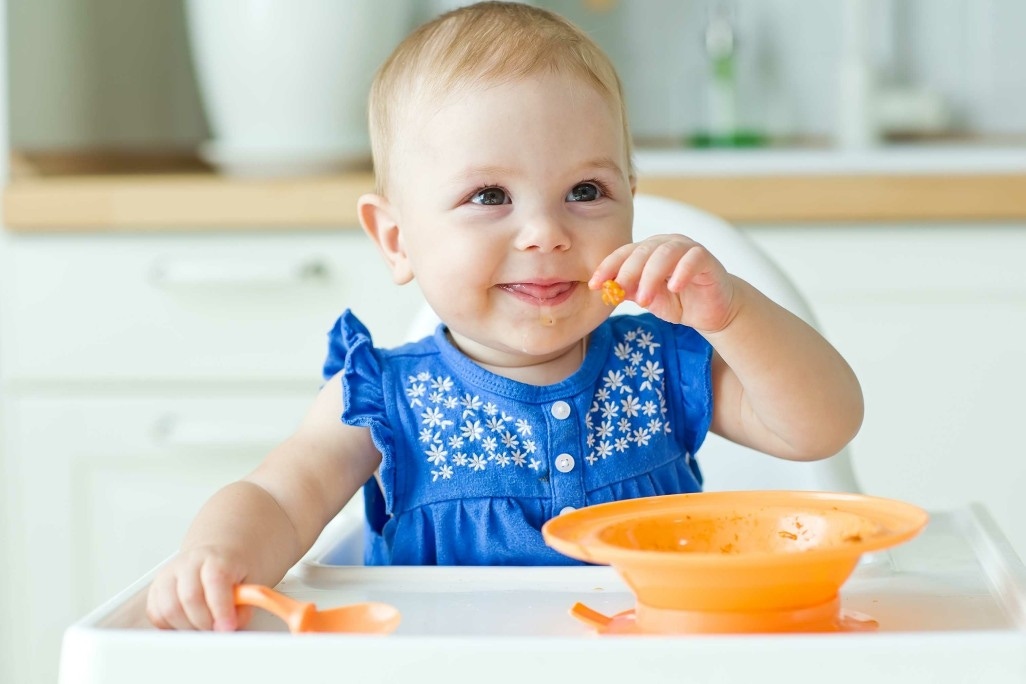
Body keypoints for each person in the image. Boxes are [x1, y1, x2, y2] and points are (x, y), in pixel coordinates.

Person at [146, 1, 863, 632]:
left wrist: (733, 312)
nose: (545, 232)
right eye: (490, 196)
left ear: (632, 205)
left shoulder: (661, 366)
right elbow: (277, 496)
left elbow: (820, 426)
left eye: (586, 189)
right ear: (397, 240)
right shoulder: (383, 402)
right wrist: (216, 555)